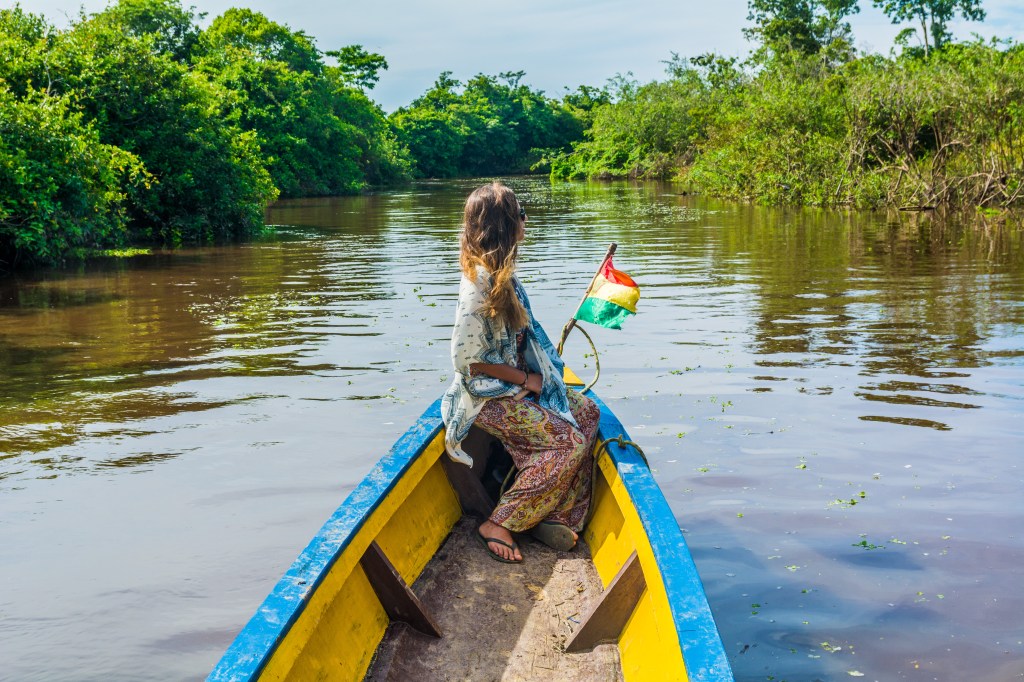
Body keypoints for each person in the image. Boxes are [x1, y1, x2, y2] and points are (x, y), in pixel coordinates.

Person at [441, 182, 601, 563]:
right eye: (521, 216)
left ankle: (554, 513)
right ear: (504, 226)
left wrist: (542, 376)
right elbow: (467, 363)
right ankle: (500, 522)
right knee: (568, 442)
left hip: (513, 385)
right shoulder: (479, 286)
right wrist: (528, 381)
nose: (526, 223)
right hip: (486, 396)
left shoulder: (504, 277)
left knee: (588, 414)